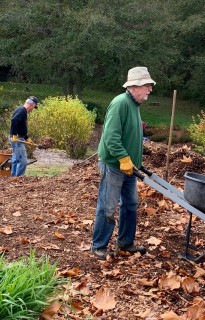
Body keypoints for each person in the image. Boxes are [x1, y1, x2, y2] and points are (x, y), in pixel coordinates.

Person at [91, 66, 156, 260]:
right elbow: (111, 137)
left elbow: (131, 138)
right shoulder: (120, 103)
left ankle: (125, 243)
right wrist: (123, 158)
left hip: (129, 167)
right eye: (147, 86)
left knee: (130, 204)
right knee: (108, 206)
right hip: (114, 165)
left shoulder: (134, 106)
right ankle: (99, 246)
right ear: (135, 87)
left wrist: (136, 163)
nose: (150, 90)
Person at [9, 96, 38, 176]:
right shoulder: (22, 111)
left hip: (18, 137)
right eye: (34, 107)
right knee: (23, 161)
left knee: (16, 159)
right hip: (17, 138)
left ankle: (13, 177)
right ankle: (19, 178)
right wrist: (14, 135)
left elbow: (20, 126)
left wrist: (27, 138)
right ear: (32, 105)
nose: (32, 110)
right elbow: (14, 120)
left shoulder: (20, 109)